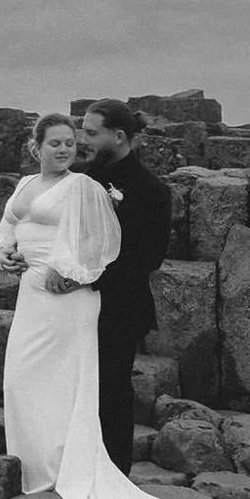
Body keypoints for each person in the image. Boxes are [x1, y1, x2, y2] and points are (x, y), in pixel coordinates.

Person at [0, 114, 250, 499]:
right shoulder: (37, 183)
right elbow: (9, 232)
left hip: (80, 299)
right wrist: (5, 254)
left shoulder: (103, 187)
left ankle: (86, 469)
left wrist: (72, 274)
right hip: (33, 294)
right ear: (35, 146)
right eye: (60, 140)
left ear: (120, 137)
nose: (73, 145)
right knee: (25, 382)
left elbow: (111, 247)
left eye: (80, 137)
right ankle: (33, 461)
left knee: (92, 388)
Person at [72, 98, 170, 469]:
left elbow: (150, 257)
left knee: (111, 388)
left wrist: (91, 276)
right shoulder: (80, 180)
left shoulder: (151, 189)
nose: (83, 140)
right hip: (74, 301)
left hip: (119, 306)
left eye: (91, 133)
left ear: (119, 136)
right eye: (83, 131)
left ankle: (114, 472)